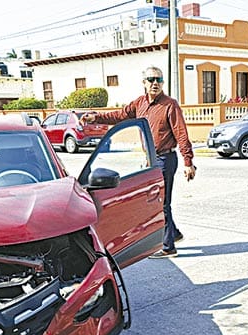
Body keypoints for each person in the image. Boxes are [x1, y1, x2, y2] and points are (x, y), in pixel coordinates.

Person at [80, 66, 196, 258]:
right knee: (160, 200)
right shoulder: (140, 103)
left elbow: (181, 133)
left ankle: (168, 247)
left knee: (161, 203)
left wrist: (188, 161)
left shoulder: (170, 105)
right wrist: (97, 117)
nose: (155, 84)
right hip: (150, 160)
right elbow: (119, 115)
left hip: (165, 159)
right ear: (144, 83)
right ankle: (173, 234)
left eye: (159, 80)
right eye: (151, 80)